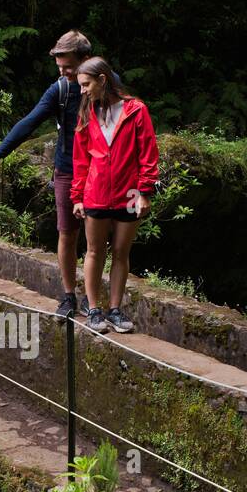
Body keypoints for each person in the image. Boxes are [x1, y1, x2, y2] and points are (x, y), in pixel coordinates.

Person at [0, 30, 95, 318]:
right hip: (67, 170)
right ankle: (69, 296)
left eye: (69, 67)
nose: (65, 72)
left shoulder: (104, 84)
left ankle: (94, 299)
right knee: (67, 233)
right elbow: (28, 122)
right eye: (60, 67)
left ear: (86, 60)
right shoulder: (60, 90)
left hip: (100, 173)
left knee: (96, 238)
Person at [71, 56, 158, 334]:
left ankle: (115, 310)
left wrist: (145, 191)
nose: (82, 90)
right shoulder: (86, 113)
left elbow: (148, 152)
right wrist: (77, 196)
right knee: (94, 251)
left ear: (102, 80)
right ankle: (94, 309)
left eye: (86, 84)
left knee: (121, 252)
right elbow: (80, 159)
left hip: (129, 193)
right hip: (95, 192)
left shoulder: (136, 110)